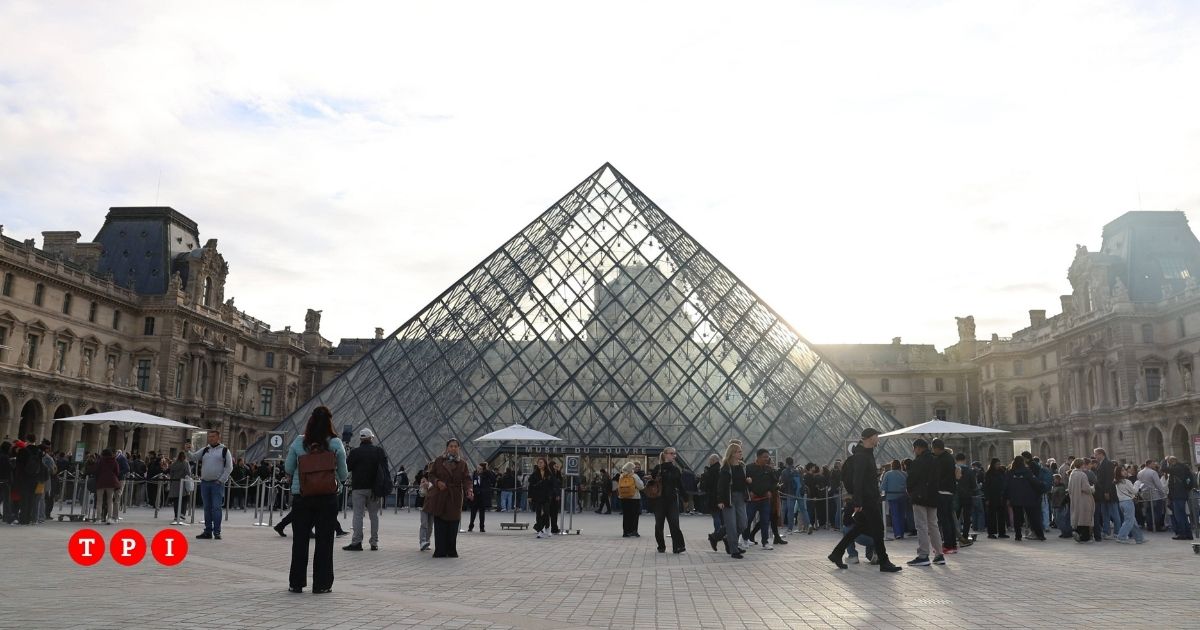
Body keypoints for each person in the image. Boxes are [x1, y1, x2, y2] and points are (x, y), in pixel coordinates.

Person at [284, 406, 349, 593]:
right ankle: (321, 584)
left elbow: (288, 468)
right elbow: (343, 473)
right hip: (327, 498)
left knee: (300, 541)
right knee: (324, 542)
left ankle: (296, 583)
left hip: (302, 497)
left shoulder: (298, 442)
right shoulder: (336, 444)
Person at [828, 428, 901, 572]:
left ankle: (836, 553)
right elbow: (858, 480)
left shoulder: (866, 454)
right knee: (878, 529)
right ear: (869, 438)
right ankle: (884, 562)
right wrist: (858, 502)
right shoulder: (862, 456)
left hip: (869, 497)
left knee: (860, 528)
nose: (878, 439)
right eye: (876, 436)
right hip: (867, 499)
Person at [423, 438, 473, 557]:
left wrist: (469, 490)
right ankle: (440, 550)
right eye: (451, 446)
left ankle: (451, 550)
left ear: (458, 448)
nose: (453, 448)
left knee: (453, 524)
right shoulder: (439, 461)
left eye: (455, 446)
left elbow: (466, 479)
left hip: (454, 496)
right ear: (447, 448)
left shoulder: (462, 464)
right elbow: (431, 475)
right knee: (440, 524)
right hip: (441, 494)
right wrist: (437, 482)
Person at [344, 428, 387, 551]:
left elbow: (348, 468)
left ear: (361, 439)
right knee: (374, 516)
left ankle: (357, 542)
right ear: (371, 438)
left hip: (358, 487)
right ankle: (374, 543)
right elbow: (384, 469)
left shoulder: (355, 452)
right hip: (374, 488)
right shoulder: (378, 451)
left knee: (358, 515)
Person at [186, 430, 234, 540]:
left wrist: (221, 480)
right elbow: (193, 457)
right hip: (205, 483)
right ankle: (208, 531)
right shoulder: (205, 450)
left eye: (213, 436)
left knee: (216, 508)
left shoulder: (225, 450)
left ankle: (217, 532)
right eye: (210, 437)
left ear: (218, 438)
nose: (211, 438)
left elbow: (229, 467)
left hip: (217, 484)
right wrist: (187, 451)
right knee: (207, 508)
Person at [905, 439, 943, 567]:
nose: (914, 451)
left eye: (914, 448)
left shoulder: (918, 462)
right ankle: (939, 554)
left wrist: (911, 491)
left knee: (921, 525)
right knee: (933, 525)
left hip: (920, 497)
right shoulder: (936, 461)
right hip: (933, 497)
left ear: (918, 448)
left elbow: (910, 480)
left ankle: (923, 555)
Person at [649, 446, 686, 553]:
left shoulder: (675, 469)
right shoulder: (658, 468)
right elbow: (653, 482)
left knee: (674, 524)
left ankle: (678, 546)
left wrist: (685, 498)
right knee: (659, 525)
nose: (674, 456)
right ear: (665, 455)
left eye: (675, 453)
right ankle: (661, 546)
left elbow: (680, 485)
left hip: (672, 500)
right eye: (671, 453)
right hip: (659, 501)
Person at [715, 443, 748, 559]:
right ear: (733, 453)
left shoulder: (742, 466)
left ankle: (728, 539)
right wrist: (720, 500)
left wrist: (747, 481)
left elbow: (742, 482)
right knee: (731, 526)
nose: (741, 453)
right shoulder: (726, 467)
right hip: (728, 498)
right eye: (739, 451)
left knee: (743, 524)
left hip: (740, 497)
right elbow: (721, 485)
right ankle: (734, 550)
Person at [930, 439, 960, 555]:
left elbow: (938, 476)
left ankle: (947, 544)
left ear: (936, 448)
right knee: (949, 519)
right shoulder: (949, 458)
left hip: (942, 492)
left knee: (944, 520)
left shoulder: (941, 460)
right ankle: (952, 544)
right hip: (950, 492)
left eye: (933, 449)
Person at [1006, 456, 1045, 541]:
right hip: (1028, 497)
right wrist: (1042, 486)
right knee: (1033, 517)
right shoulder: (1027, 471)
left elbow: (1006, 486)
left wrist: (1008, 498)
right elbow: (1035, 482)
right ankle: (1040, 535)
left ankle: (1018, 535)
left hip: (1015, 498)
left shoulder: (1010, 473)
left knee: (1017, 518)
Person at [744, 449, 775, 550]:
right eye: (764, 457)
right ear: (758, 457)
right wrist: (749, 491)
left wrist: (770, 490)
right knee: (748, 520)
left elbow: (774, 482)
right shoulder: (749, 468)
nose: (767, 459)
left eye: (767, 457)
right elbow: (744, 482)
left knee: (765, 521)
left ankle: (765, 542)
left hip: (765, 499)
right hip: (753, 499)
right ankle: (745, 539)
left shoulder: (769, 469)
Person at [1092, 448, 1120, 540]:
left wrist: (1107, 491)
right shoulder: (1101, 464)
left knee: (1114, 514)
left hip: (1108, 492)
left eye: (1096, 454)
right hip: (1102, 493)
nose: (1095, 456)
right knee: (1105, 514)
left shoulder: (1108, 463)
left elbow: (1109, 479)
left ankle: (1117, 532)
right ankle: (1106, 531)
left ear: (1101, 454)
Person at [1114, 466, 1145, 544]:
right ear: (1118, 473)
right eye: (1122, 470)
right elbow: (1134, 491)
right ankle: (1121, 537)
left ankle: (1139, 538)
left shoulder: (1117, 481)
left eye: (1124, 470)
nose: (1125, 471)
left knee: (1132, 521)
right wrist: (1137, 483)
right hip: (1128, 502)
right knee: (1129, 521)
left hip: (1121, 502)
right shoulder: (1126, 481)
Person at [1166, 456, 1195, 540]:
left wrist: (1165, 460)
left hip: (1177, 495)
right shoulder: (1183, 467)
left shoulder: (1176, 468)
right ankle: (1188, 534)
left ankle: (1182, 534)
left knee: (1179, 515)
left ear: (1172, 461)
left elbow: (1163, 468)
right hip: (1183, 494)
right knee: (1183, 515)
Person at [1067, 458, 1095, 543]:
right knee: (1085, 517)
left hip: (1075, 498)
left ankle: (1078, 532)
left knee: (1078, 517)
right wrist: (1092, 488)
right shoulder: (1082, 475)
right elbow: (1086, 488)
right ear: (1082, 465)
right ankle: (1084, 538)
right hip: (1083, 498)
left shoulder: (1072, 474)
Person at [880, 459, 907, 540]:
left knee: (895, 515)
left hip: (892, 496)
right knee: (902, 515)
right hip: (902, 495)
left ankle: (897, 533)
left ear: (892, 466)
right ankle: (901, 532)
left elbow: (883, 486)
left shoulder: (888, 474)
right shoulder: (905, 474)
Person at [1137, 460, 1168, 531]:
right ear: (1149, 464)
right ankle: (1157, 526)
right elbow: (1158, 484)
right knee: (1157, 511)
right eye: (1153, 464)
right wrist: (1163, 494)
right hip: (1155, 495)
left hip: (1144, 495)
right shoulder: (1153, 472)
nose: (1154, 465)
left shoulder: (1139, 473)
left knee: (1148, 511)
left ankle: (1150, 526)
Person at [617, 461, 645, 537]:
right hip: (634, 497)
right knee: (635, 515)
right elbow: (641, 486)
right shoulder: (634, 476)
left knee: (626, 515)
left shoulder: (621, 476)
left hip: (623, 498)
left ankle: (625, 532)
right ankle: (634, 531)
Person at [94, 449, 120, 525]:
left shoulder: (100, 461)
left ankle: (98, 518)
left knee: (99, 501)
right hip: (111, 482)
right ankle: (109, 518)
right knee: (110, 500)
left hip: (101, 481)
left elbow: (96, 471)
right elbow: (117, 472)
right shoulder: (114, 461)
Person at [699, 454, 722, 540]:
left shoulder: (711, 471)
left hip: (713, 496)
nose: (709, 462)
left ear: (713, 460)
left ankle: (717, 533)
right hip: (721, 496)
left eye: (710, 460)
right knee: (721, 516)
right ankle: (721, 532)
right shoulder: (721, 469)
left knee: (716, 515)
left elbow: (706, 485)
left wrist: (703, 477)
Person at [983, 458, 1008, 538]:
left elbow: (1005, 483)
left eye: (999, 464)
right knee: (992, 516)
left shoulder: (1002, 472)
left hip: (1001, 497)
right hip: (992, 497)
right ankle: (991, 533)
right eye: (997, 464)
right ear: (993, 464)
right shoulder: (989, 473)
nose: (998, 466)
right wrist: (987, 498)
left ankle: (1002, 532)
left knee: (1002, 515)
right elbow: (986, 487)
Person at [468, 462, 496, 533]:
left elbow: (493, 479)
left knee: (482, 512)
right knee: (473, 512)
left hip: (483, 496)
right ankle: (471, 526)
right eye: (477, 468)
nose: (478, 469)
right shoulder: (474, 474)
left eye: (480, 468)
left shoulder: (486, 474)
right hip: (475, 496)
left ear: (483, 469)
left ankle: (482, 527)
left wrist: (487, 470)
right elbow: (471, 483)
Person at [529, 457, 552, 537]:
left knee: (546, 512)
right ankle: (540, 530)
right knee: (538, 513)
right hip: (537, 496)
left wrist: (552, 494)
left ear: (545, 464)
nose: (540, 464)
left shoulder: (549, 474)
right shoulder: (534, 474)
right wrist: (530, 496)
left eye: (541, 462)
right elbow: (530, 486)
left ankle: (547, 528)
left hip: (546, 496)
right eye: (538, 463)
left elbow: (552, 485)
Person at [168, 451, 191, 522]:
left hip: (175, 483)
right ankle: (182, 514)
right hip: (183, 483)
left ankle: (176, 515)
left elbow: (171, 473)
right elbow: (188, 473)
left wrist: (172, 481)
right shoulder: (186, 463)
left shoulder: (174, 464)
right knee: (184, 499)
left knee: (176, 500)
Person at [546, 460, 564, 534]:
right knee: (548, 513)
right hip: (550, 496)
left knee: (554, 513)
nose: (556, 468)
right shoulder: (549, 474)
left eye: (557, 466)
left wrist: (559, 472)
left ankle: (554, 528)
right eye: (555, 466)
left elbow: (561, 482)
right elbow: (553, 485)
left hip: (555, 496)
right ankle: (546, 527)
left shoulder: (556, 474)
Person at [417, 472, 434, 551]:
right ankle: (422, 542)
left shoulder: (436, 479)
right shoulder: (424, 479)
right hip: (423, 505)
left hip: (432, 505)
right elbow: (421, 493)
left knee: (430, 525)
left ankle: (427, 541)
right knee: (424, 524)